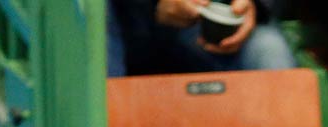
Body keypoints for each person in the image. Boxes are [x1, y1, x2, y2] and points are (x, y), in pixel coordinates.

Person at [106, 0, 298, 78]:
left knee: (269, 51)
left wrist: (254, 5)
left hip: (219, 22)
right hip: (124, 24)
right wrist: (152, 6)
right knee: (94, 25)